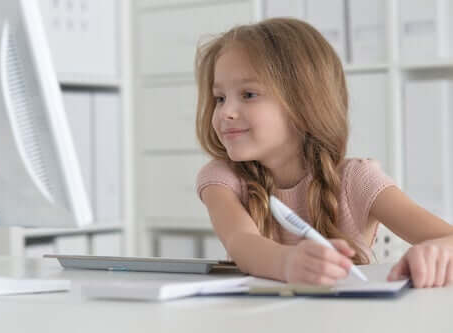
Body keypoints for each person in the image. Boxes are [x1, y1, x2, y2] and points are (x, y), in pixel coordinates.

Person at [194, 17, 453, 288]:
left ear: (305, 104)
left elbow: (446, 238)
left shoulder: (357, 179)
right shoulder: (221, 179)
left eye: (248, 94)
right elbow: (241, 243)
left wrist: (438, 252)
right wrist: (287, 262)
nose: (225, 112)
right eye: (220, 98)